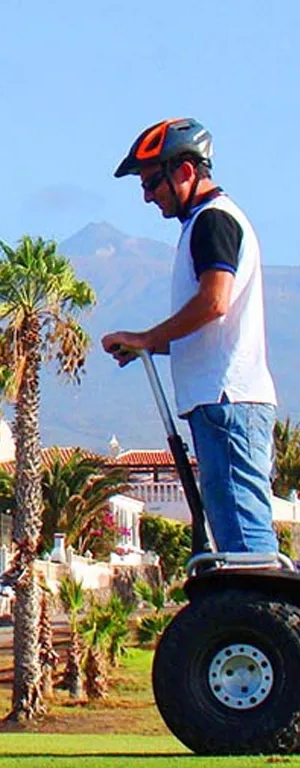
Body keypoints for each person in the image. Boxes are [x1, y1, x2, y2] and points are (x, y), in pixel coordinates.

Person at [101, 117, 278, 554]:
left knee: (244, 540)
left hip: (227, 402)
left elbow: (214, 302)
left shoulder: (213, 221)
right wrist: (147, 345)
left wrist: (147, 337)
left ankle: (258, 599)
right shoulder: (203, 221)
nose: (147, 196)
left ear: (184, 171)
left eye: (151, 182)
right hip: (220, 401)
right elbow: (212, 324)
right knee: (232, 535)